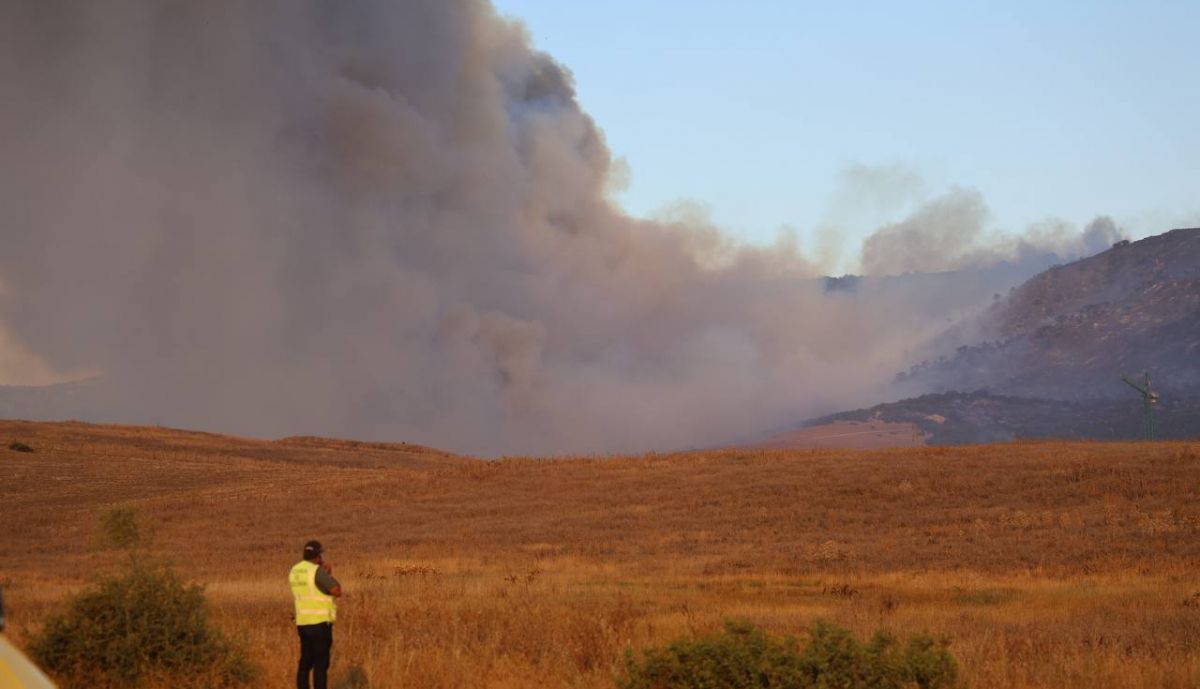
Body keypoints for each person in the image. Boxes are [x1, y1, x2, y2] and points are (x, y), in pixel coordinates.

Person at [289, 540, 342, 689]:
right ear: (318, 556)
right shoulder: (317, 571)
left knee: (305, 662)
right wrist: (328, 575)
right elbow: (336, 591)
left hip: (302, 623)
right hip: (320, 623)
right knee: (320, 664)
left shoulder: (295, 570)